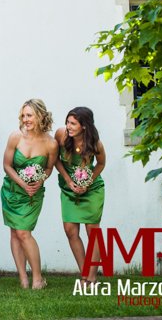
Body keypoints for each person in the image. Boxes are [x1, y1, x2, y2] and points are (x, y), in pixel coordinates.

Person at [1, 98, 58, 290]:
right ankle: (23, 278)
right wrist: (22, 183)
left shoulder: (51, 144)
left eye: (29, 115)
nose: (25, 119)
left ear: (40, 116)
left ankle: (37, 278)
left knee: (24, 232)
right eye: (23, 115)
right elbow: (7, 165)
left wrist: (39, 181)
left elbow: (49, 169)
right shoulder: (15, 137)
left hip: (33, 194)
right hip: (12, 191)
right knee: (15, 233)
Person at [55, 106, 106, 283]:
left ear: (84, 126)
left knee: (92, 232)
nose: (68, 126)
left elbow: (100, 164)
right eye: (68, 122)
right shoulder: (61, 135)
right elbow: (55, 160)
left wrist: (88, 181)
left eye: (73, 124)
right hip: (69, 187)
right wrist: (69, 181)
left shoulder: (95, 143)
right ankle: (84, 272)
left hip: (91, 190)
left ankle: (91, 278)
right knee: (70, 230)